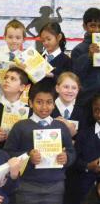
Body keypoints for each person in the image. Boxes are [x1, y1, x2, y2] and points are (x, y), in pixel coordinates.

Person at [4, 78, 75, 204]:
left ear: (54, 104)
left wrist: (67, 157)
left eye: (49, 102)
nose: (44, 107)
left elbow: (71, 152)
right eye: (39, 102)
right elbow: (7, 153)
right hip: (26, 186)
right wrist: (27, 156)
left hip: (55, 186)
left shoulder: (61, 127)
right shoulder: (20, 126)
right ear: (30, 103)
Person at [52, 72, 86, 204]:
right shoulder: (48, 108)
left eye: (74, 88)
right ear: (57, 88)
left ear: (78, 90)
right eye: (66, 87)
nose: (70, 91)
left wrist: (74, 133)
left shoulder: (83, 111)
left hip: (73, 167)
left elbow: (85, 139)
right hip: (50, 164)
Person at [0, 67, 29, 148]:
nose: (7, 80)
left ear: (22, 87)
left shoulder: (28, 110)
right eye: (5, 77)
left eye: (13, 79)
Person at [71, 7, 100, 106]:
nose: (97, 30)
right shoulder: (77, 50)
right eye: (93, 26)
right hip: (86, 102)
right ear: (84, 26)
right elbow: (76, 78)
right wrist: (89, 57)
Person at [75, 93, 100, 202]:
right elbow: (75, 160)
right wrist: (88, 166)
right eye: (96, 110)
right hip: (87, 189)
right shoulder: (84, 134)